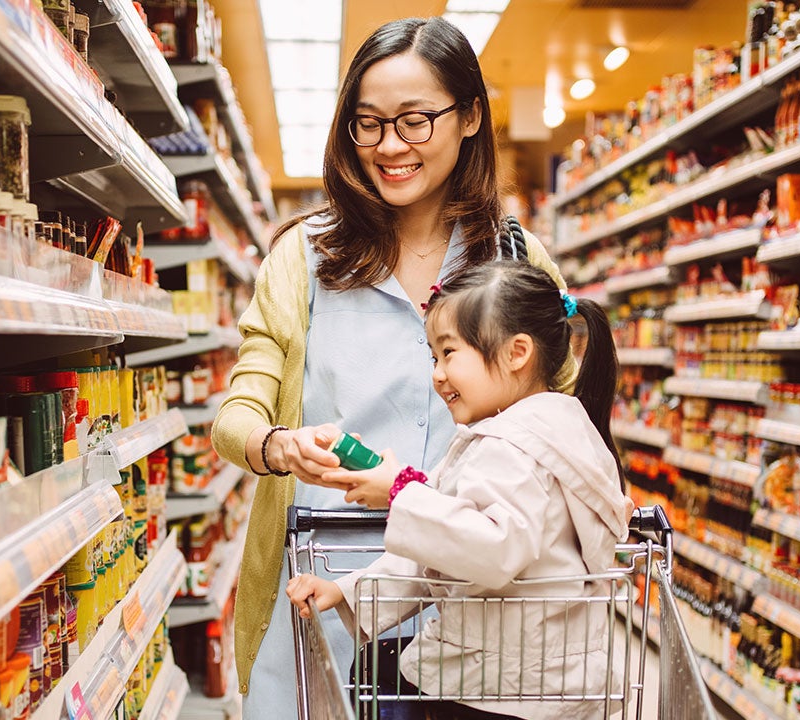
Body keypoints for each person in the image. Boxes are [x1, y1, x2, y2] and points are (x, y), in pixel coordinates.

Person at [210, 16, 578, 714]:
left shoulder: (516, 263)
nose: (389, 147)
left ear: (469, 116)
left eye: (414, 122)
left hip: (476, 599)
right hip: (323, 589)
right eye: (369, 123)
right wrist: (275, 444)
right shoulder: (303, 257)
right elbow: (240, 410)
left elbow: (563, 429)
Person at [286, 261, 633, 720]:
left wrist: (400, 493)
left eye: (449, 353)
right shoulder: (561, 428)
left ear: (517, 352)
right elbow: (448, 555)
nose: (438, 374)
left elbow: (490, 550)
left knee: (376, 678)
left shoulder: (510, 449)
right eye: (434, 357)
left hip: (507, 689)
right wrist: (349, 591)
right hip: (545, 676)